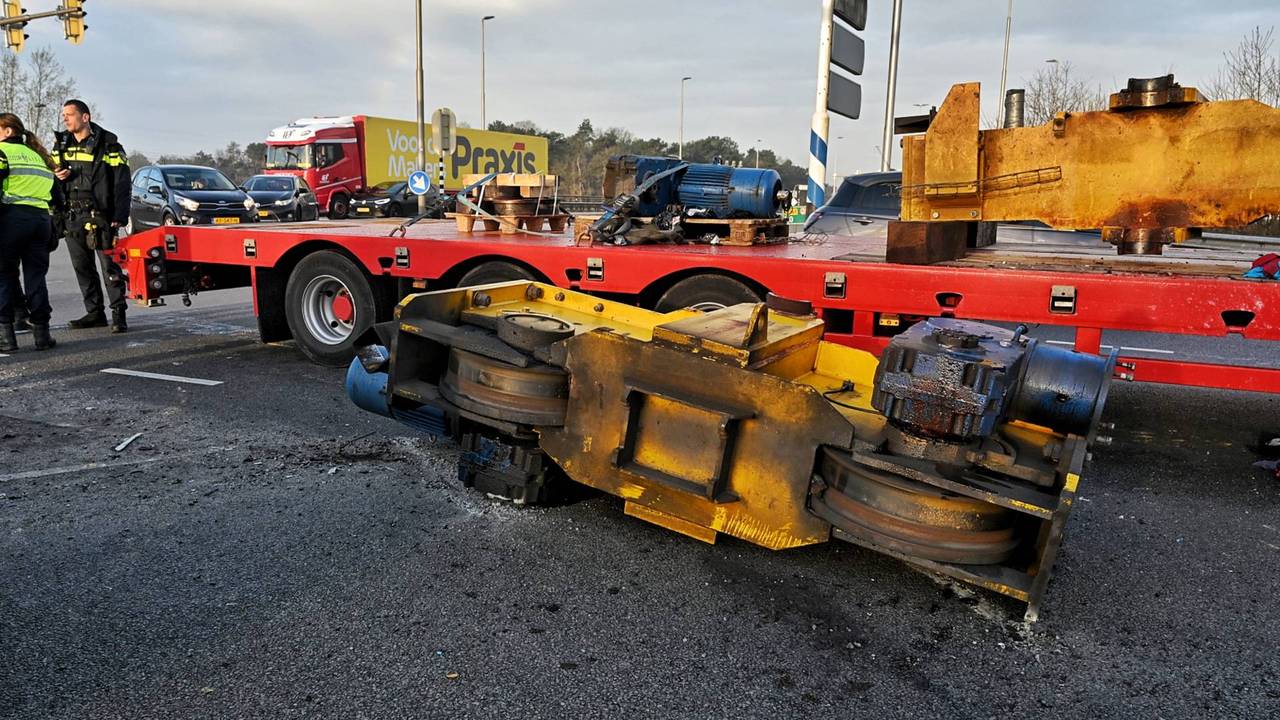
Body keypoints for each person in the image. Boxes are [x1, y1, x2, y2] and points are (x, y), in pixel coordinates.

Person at [53, 99, 131, 333]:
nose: (65, 119)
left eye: (69, 114)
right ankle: (95, 313)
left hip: (101, 216)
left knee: (110, 268)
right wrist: (58, 176)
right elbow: (52, 174)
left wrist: (119, 214)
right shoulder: (61, 143)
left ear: (85, 117)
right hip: (72, 214)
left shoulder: (109, 145)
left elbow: (122, 182)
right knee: (82, 268)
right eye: (63, 115)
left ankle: (119, 314)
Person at [0, 113, 61, 352]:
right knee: (36, 278)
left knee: (3, 277)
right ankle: (42, 336)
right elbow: (58, 196)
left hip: (12, 220)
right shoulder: (39, 155)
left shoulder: (3, 153)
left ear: (8, 131)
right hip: (40, 221)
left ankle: (6, 338)